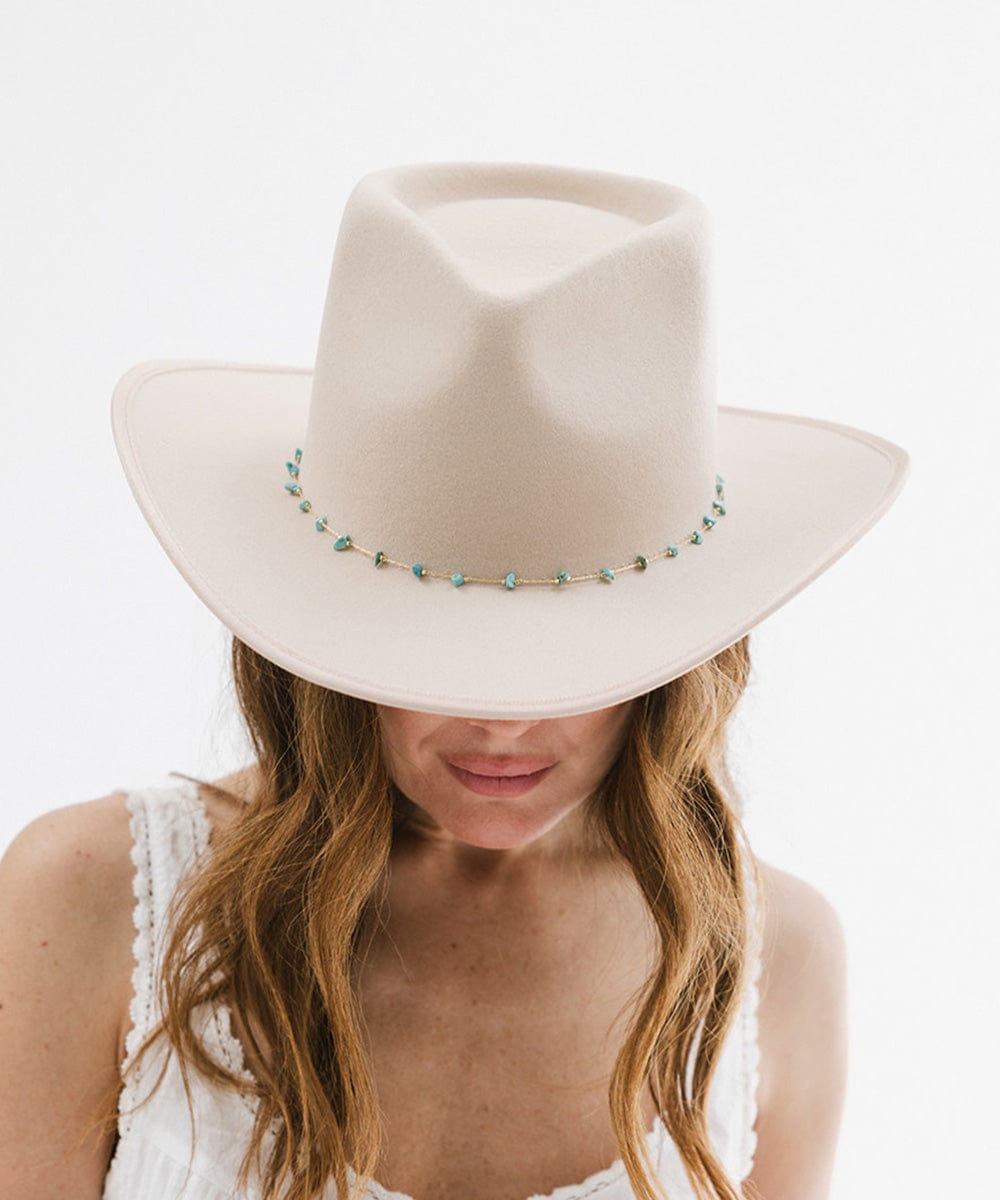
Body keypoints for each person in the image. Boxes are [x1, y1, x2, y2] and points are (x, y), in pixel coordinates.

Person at [0, 161, 909, 1200]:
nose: (504, 724)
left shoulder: (773, 963)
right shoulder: (88, 902)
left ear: (682, 659)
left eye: (573, 660)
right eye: (431, 650)